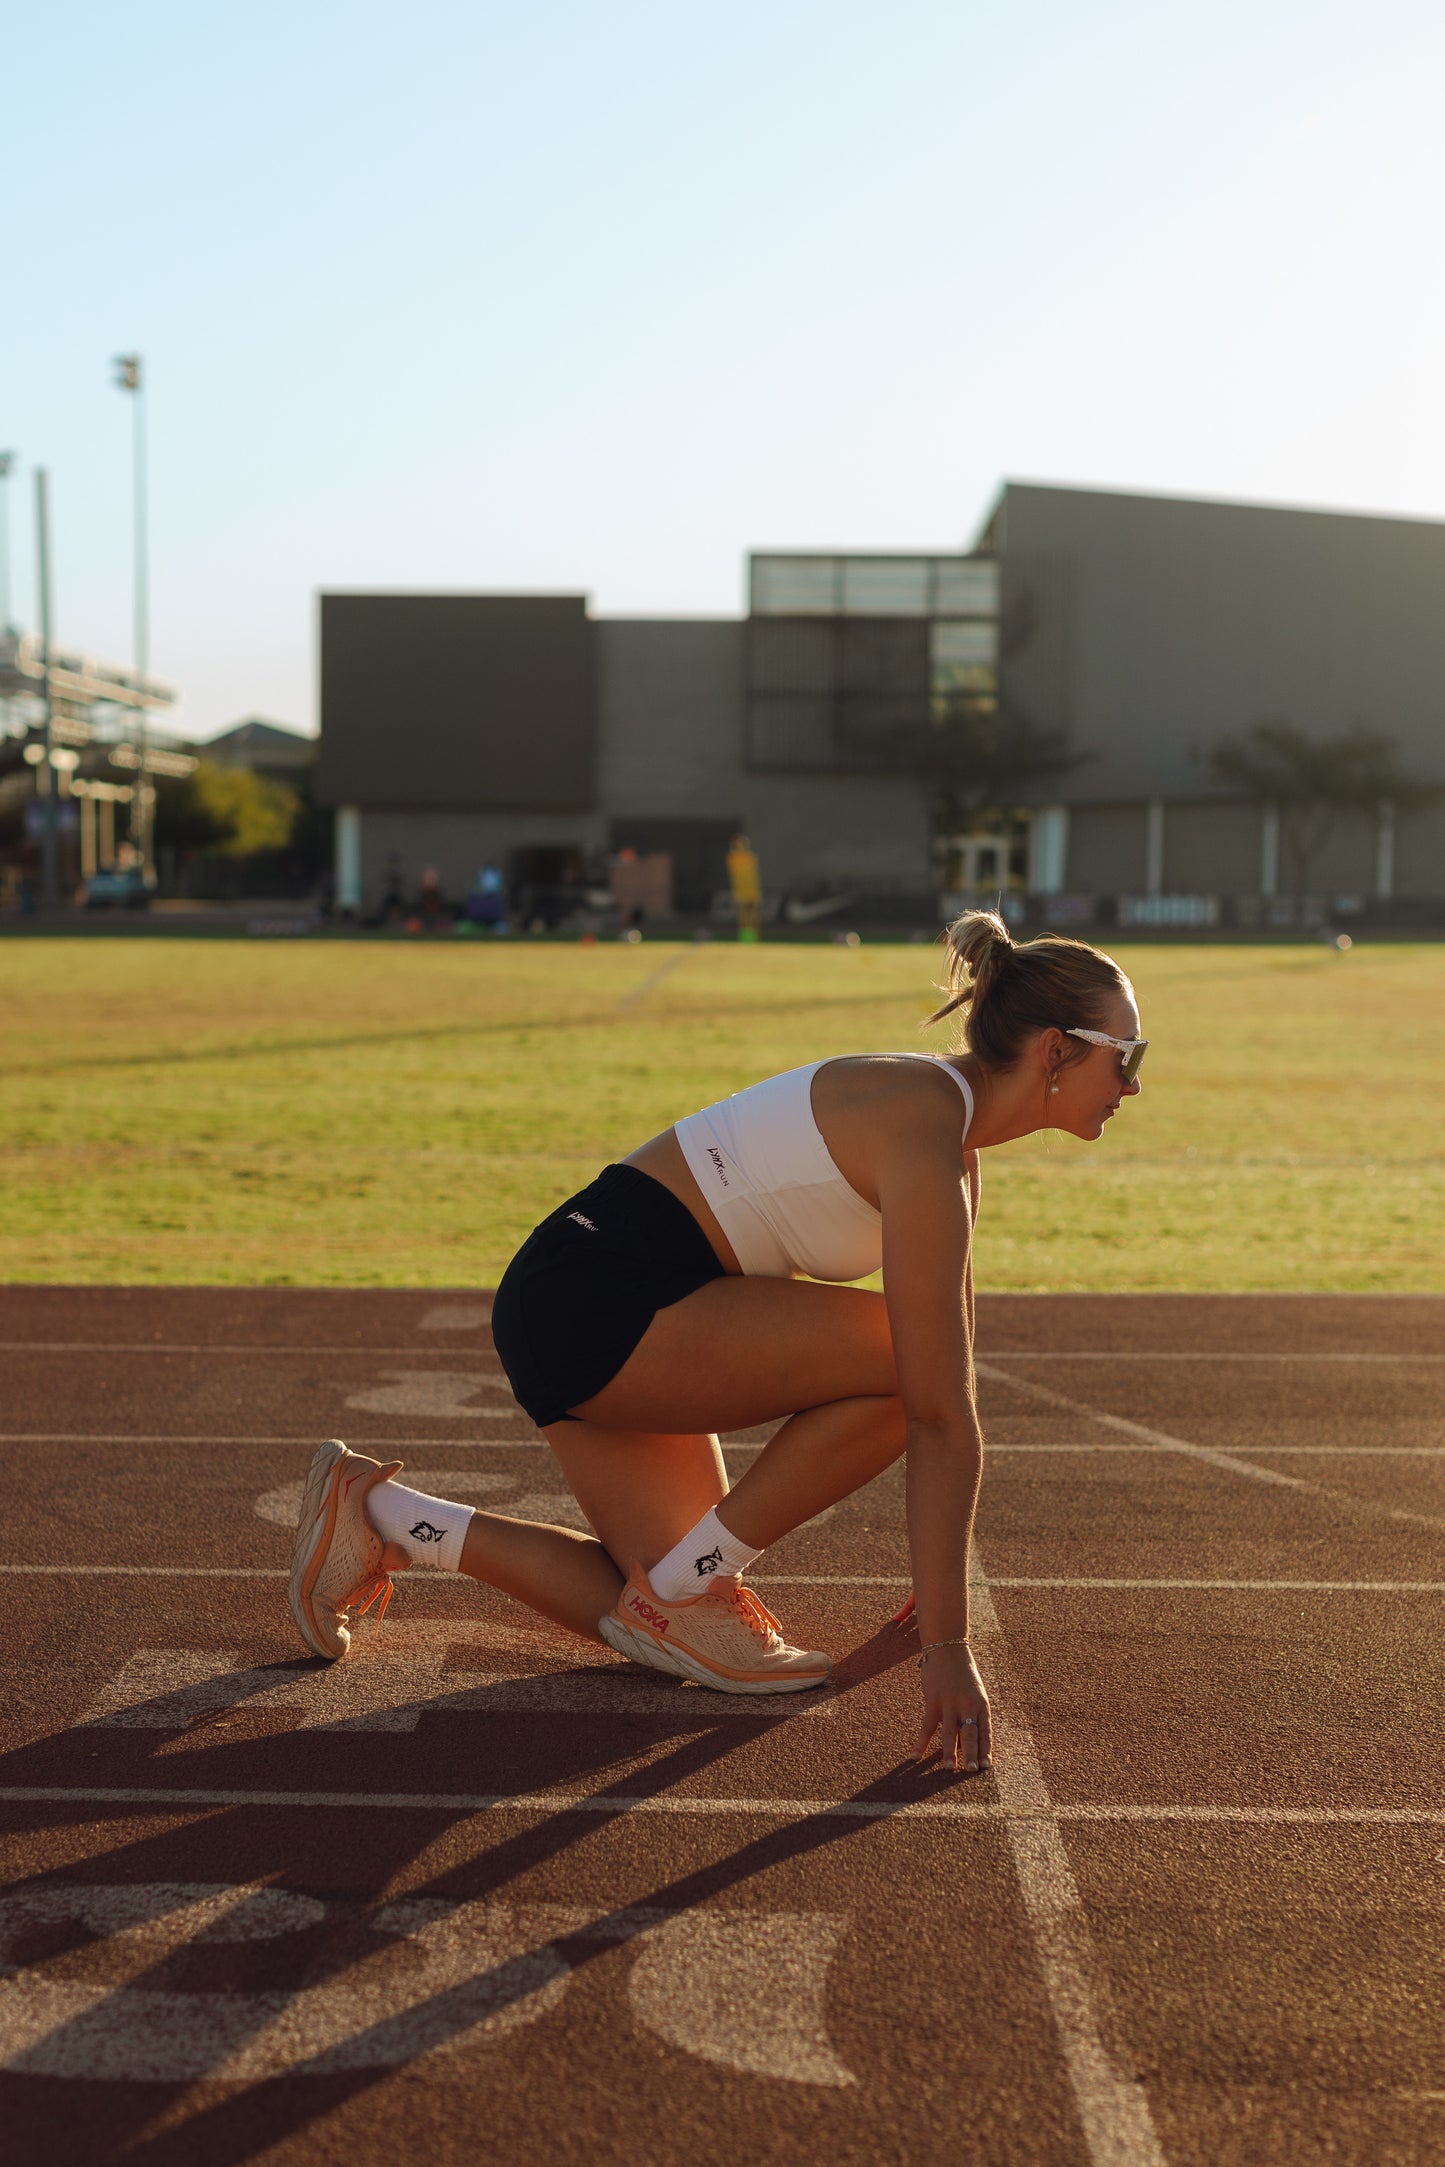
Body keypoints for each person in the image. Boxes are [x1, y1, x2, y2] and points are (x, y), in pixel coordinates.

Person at [287, 910, 1146, 1772]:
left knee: (652, 1610)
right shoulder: (922, 1131)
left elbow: (944, 1391)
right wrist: (948, 1643)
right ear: (1055, 1050)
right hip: (601, 1300)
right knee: (901, 1373)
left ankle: (382, 1515)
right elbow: (937, 1407)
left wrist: (934, 1582)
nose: (1134, 1084)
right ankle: (694, 1581)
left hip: (586, 1298)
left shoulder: (948, 1142)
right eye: (1127, 1055)